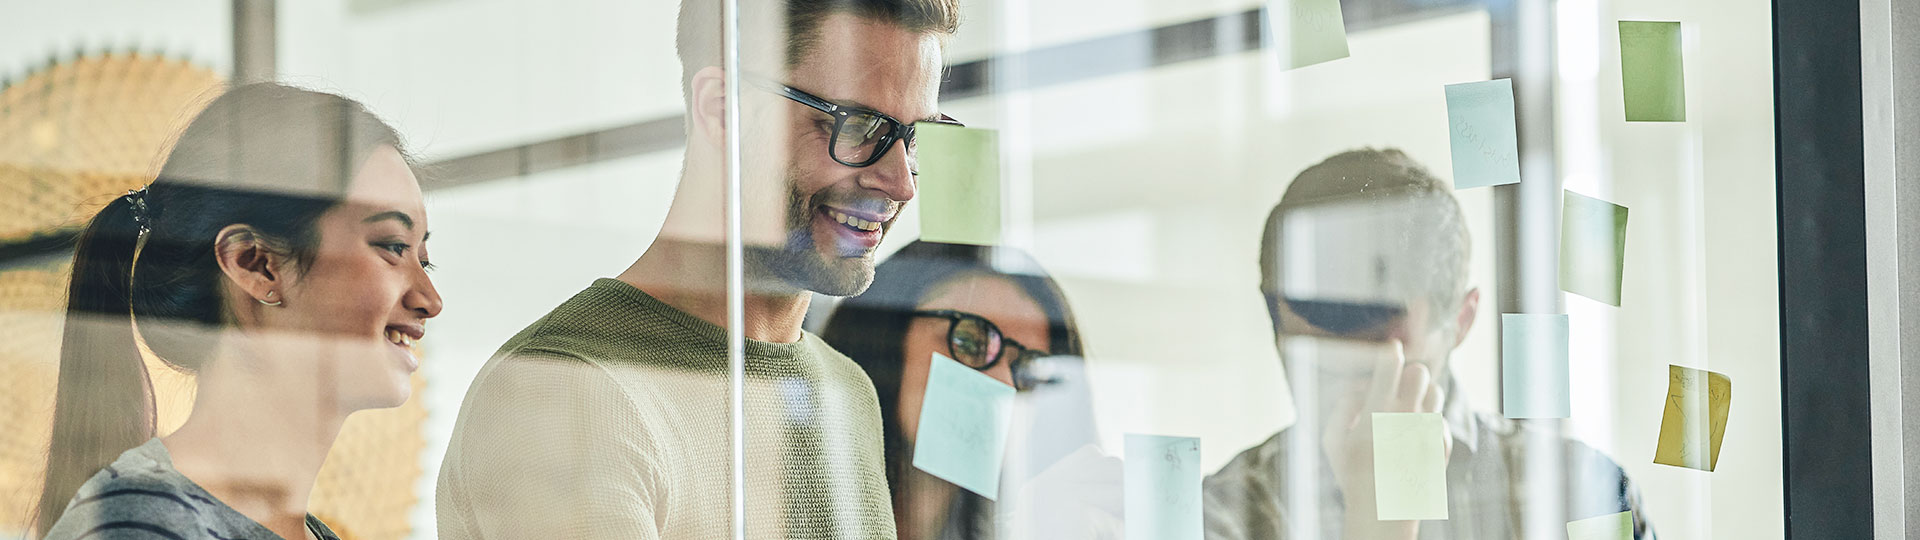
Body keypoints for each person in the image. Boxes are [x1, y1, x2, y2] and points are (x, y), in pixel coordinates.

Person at [434, 1, 962, 538]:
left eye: (915, 135)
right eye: (861, 126)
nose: (901, 183)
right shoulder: (563, 390)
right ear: (721, 110)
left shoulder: (845, 391)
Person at [32, 83, 442, 540]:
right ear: (256, 265)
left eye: (424, 260)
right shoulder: (140, 528)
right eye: (392, 247)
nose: (430, 299)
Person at [1202, 149, 1653, 540]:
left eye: (1371, 367)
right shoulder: (1223, 514)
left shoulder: (1581, 491)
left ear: (1461, 319)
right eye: (1312, 364)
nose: (1342, 404)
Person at [819, 241, 1114, 540]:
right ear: (882, 343)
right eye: (970, 343)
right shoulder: (788, 500)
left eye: (1027, 369)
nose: (1003, 384)